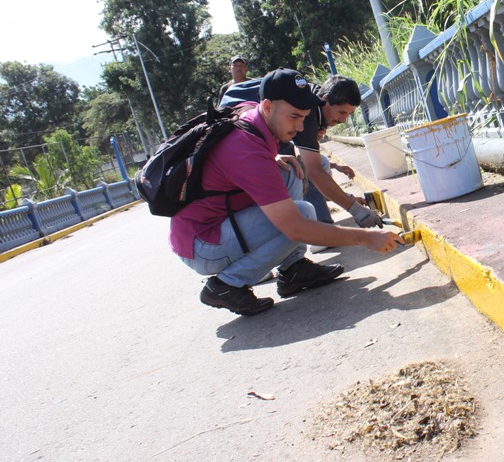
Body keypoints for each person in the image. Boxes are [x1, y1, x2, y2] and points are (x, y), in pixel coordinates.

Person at [170, 68, 403, 316]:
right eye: (294, 117)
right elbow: (295, 227)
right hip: (203, 245)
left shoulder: (253, 116)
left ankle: (294, 269)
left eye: (303, 118)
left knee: (291, 170)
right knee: (302, 214)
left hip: (217, 225)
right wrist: (366, 238)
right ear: (268, 107)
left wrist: (274, 156)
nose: (300, 126)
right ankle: (225, 285)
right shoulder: (246, 150)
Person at [293, 75, 383, 229]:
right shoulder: (308, 113)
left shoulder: (318, 99)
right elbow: (314, 172)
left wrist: (347, 197)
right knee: (302, 170)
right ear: (326, 99)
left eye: (348, 114)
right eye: (342, 112)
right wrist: (355, 209)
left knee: (322, 162)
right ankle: (315, 231)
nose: (343, 120)